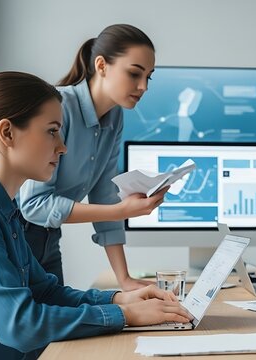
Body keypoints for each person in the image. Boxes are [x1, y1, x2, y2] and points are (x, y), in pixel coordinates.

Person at [0, 71, 192, 359]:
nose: (62, 147)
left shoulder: (2, 208)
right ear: (7, 133)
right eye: (52, 131)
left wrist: (119, 298)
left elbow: (46, 292)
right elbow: (19, 325)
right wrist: (124, 314)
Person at [19, 24, 165, 290]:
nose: (143, 86)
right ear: (101, 65)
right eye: (134, 73)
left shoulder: (114, 117)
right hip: (14, 235)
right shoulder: (60, 108)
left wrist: (125, 279)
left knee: (58, 325)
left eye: (148, 77)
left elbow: (104, 194)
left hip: (49, 237)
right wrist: (119, 210)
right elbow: (35, 204)